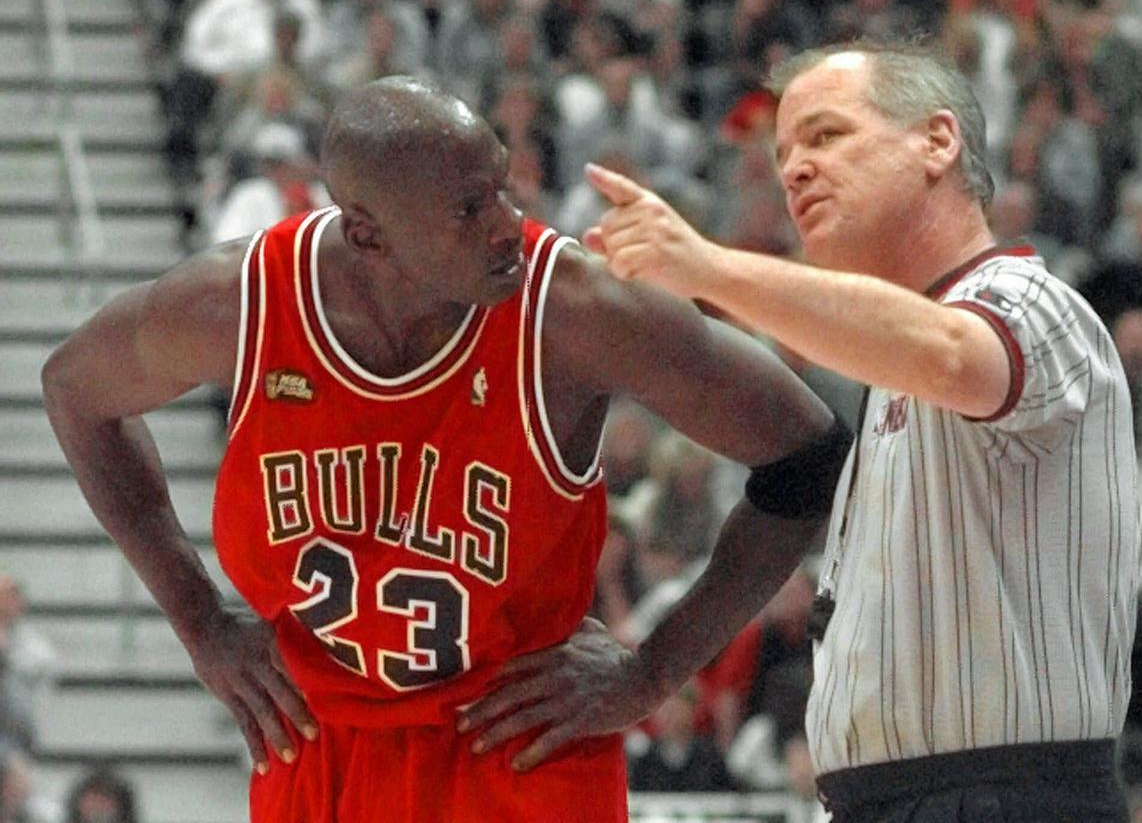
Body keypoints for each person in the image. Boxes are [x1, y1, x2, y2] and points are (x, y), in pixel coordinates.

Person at [41, 77, 846, 822]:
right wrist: (202, 625)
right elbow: (75, 392)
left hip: (520, 739)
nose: (507, 222)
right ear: (367, 233)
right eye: (469, 209)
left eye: (500, 185)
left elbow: (806, 450)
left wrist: (654, 672)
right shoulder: (240, 304)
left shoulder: (572, 312)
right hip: (320, 742)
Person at [460, 40, 1139, 822]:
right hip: (882, 795)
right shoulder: (885, 367)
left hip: (1006, 793)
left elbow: (952, 355)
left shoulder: (1028, 299)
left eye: (826, 136)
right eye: (784, 153)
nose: (795, 170)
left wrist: (709, 269)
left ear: (938, 141)